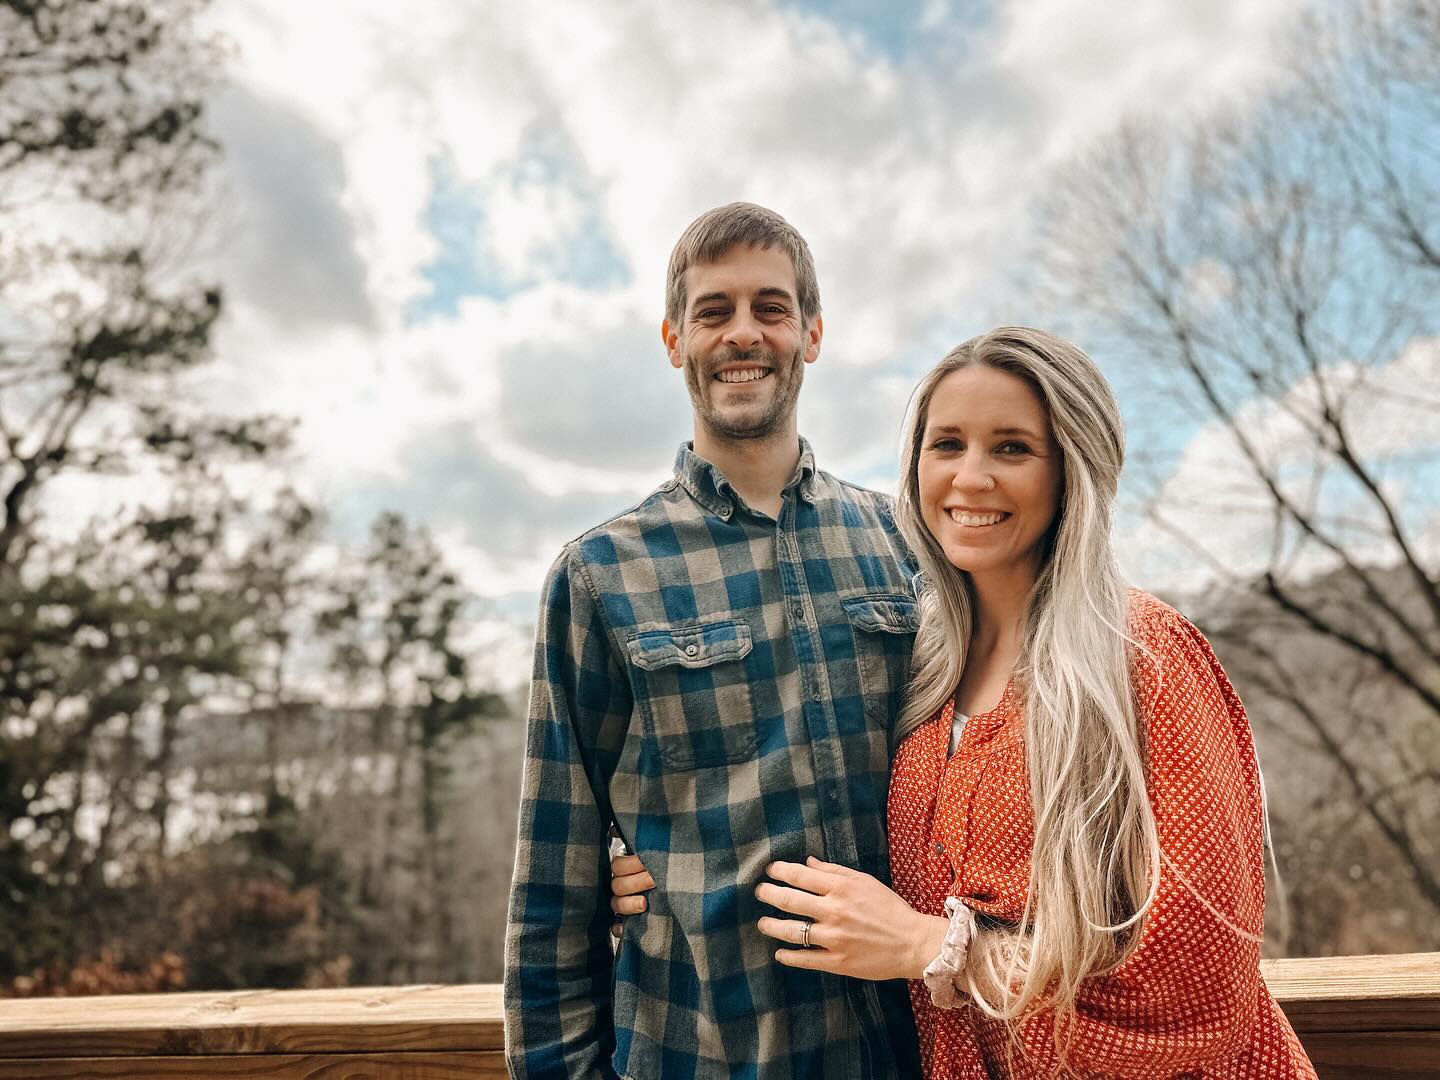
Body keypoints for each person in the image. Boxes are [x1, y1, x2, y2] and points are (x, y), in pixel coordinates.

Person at [613, 327, 1318, 1078]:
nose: (970, 478)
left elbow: (1196, 984)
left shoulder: (1140, 654)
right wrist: (658, 865)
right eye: (946, 444)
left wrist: (930, 948)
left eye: (1011, 448)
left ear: (1071, 470)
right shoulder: (919, 670)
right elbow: (806, 790)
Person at [504, 203, 923, 1079]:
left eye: (770, 308)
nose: (743, 333)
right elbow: (555, 884)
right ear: (673, 338)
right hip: (701, 1053)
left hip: (914, 1050)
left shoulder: (905, 545)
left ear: (812, 332)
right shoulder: (599, 575)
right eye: (713, 311)